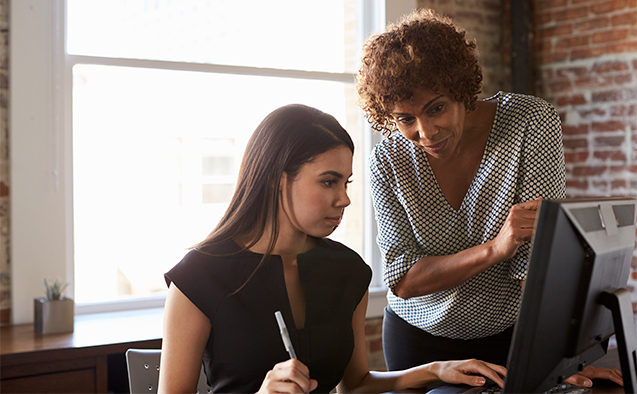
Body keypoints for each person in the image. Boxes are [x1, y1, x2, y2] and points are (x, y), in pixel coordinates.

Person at [355, 8, 623, 388]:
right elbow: (402, 278)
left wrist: (562, 359)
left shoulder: (529, 122)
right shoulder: (388, 159)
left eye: (436, 108)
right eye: (404, 119)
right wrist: (496, 248)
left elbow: (535, 262)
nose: (425, 132)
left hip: (512, 336)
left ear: (461, 89)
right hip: (418, 341)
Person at [158, 103, 508, 394]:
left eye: (345, 183)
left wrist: (436, 369)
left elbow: (355, 384)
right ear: (277, 180)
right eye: (328, 182)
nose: (344, 199)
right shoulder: (198, 278)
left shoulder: (348, 271)